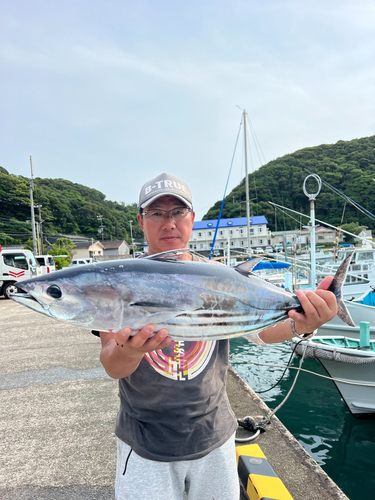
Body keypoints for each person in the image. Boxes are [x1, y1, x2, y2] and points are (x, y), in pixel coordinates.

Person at [97, 172, 338, 500]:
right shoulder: (121, 282)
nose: (168, 223)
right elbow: (112, 363)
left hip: (214, 436)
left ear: (192, 218)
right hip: (144, 442)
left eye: (178, 212)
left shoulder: (220, 276)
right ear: (141, 221)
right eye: (156, 213)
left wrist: (305, 322)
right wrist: (130, 352)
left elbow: (263, 332)